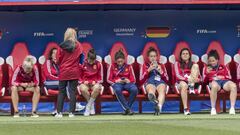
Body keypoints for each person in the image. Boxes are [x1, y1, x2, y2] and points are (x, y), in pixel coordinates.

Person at [43, 48, 85, 116]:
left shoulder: (61, 62)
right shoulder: (48, 62)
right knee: (66, 83)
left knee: (66, 85)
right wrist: (61, 79)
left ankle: (58, 110)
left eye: (56, 53)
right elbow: (48, 75)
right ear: (51, 55)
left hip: (59, 82)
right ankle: (75, 104)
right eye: (53, 53)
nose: (55, 55)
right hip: (49, 82)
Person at [55, 28, 83, 118]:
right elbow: (80, 57)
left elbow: (58, 60)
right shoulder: (78, 45)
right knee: (72, 92)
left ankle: (59, 112)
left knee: (61, 92)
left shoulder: (61, 46)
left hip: (63, 71)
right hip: (74, 71)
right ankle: (72, 113)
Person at [203, 50, 237, 115]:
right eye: (210, 61)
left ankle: (232, 108)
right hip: (214, 82)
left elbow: (229, 76)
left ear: (217, 60)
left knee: (233, 86)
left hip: (224, 81)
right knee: (214, 85)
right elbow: (204, 81)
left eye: (213, 61)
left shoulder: (223, 66)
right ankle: (213, 108)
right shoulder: (206, 68)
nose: (211, 62)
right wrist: (207, 73)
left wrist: (222, 77)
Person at [107, 49, 138, 115]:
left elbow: (134, 80)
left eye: (121, 61)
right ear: (115, 61)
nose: (120, 63)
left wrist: (128, 80)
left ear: (124, 60)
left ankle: (127, 109)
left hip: (127, 83)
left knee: (134, 89)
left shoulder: (129, 66)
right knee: (117, 90)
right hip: (117, 84)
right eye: (118, 62)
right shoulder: (112, 66)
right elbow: (108, 79)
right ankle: (128, 109)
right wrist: (116, 81)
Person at [140, 47, 169, 115]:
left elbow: (167, 79)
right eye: (151, 56)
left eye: (154, 56)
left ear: (157, 57)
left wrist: (161, 71)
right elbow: (141, 79)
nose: (153, 58)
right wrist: (148, 70)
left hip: (160, 81)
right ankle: (154, 100)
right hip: (149, 81)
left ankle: (159, 107)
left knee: (162, 89)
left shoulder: (161, 65)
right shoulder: (144, 65)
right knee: (151, 89)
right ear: (148, 57)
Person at [174, 48, 201, 115]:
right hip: (181, 82)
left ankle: (191, 86)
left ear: (189, 56)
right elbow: (177, 75)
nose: (185, 55)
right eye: (183, 54)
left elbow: (200, 77)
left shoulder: (193, 64)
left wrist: (198, 79)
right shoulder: (177, 63)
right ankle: (186, 109)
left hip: (193, 82)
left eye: (187, 54)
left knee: (196, 65)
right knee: (184, 85)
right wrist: (186, 79)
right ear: (180, 56)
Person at [79, 48, 103, 116]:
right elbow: (79, 77)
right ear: (87, 58)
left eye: (93, 61)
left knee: (98, 87)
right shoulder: (83, 63)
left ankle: (88, 106)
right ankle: (91, 106)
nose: (91, 62)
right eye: (90, 60)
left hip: (94, 83)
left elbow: (101, 78)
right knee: (83, 89)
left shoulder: (99, 64)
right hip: (85, 83)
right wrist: (83, 81)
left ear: (95, 59)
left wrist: (95, 81)